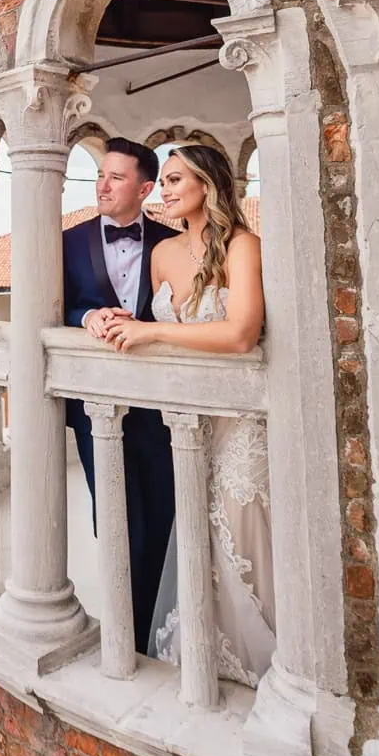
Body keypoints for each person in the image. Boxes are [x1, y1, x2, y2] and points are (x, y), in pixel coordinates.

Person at [102, 142, 273, 685]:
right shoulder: (161, 255)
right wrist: (106, 322)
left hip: (239, 423)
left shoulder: (244, 247)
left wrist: (151, 329)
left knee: (243, 539)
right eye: (165, 180)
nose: (166, 190)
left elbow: (242, 332)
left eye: (176, 180)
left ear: (208, 185)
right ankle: (203, 651)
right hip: (184, 421)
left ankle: (265, 661)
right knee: (197, 536)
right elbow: (145, 329)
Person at [62, 137, 179, 654]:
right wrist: (87, 317)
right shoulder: (68, 241)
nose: (101, 185)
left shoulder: (173, 242)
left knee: (162, 515)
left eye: (115, 177)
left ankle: (155, 627)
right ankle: (122, 634)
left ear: (145, 188)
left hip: (162, 406)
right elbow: (54, 307)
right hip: (95, 409)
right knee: (114, 515)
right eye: (100, 174)